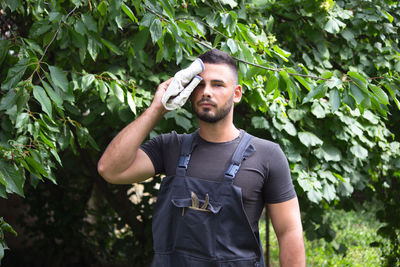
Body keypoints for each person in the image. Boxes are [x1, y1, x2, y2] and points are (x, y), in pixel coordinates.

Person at [97, 49, 305, 267]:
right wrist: (157, 108)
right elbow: (110, 170)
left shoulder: (267, 155)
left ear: (236, 93)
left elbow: (289, 231)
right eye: (199, 85)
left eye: (217, 84)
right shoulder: (170, 147)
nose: (206, 92)